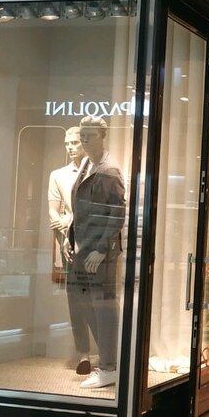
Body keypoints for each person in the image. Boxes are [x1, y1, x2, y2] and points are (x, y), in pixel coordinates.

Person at [66, 116, 127, 389]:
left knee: (103, 308)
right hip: (83, 248)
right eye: (83, 135)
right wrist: (71, 239)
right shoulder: (86, 165)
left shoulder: (109, 170)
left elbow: (117, 214)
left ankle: (109, 367)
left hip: (98, 253)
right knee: (83, 302)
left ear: (102, 136)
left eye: (89, 135)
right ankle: (108, 359)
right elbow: (81, 208)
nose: (84, 140)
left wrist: (102, 249)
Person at [47, 127, 92, 374]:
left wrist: (71, 219)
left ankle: (109, 354)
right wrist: (65, 228)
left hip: (92, 243)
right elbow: (53, 211)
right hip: (68, 244)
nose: (70, 147)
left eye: (75, 142)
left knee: (97, 300)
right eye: (67, 143)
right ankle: (83, 354)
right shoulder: (58, 175)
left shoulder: (97, 172)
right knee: (75, 299)